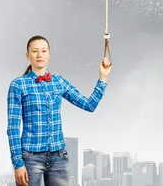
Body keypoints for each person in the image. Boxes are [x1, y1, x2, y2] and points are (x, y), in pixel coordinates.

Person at [7, 35, 112, 186]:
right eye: (35, 51)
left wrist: (103, 77)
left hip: (59, 157)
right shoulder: (18, 85)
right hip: (30, 158)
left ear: (49, 55)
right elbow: (13, 128)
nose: (39, 55)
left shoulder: (59, 81)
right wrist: (18, 163)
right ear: (27, 55)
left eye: (43, 51)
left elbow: (89, 105)